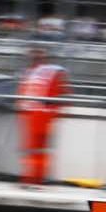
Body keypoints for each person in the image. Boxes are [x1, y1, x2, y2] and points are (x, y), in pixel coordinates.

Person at [16, 45, 68, 184]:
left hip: (40, 115)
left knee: (37, 149)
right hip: (31, 114)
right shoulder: (31, 72)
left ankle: (35, 178)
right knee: (32, 149)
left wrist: (53, 112)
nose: (34, 58)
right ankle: (31, 178)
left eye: (37, 55)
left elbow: (61, 93)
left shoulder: (49, 73)